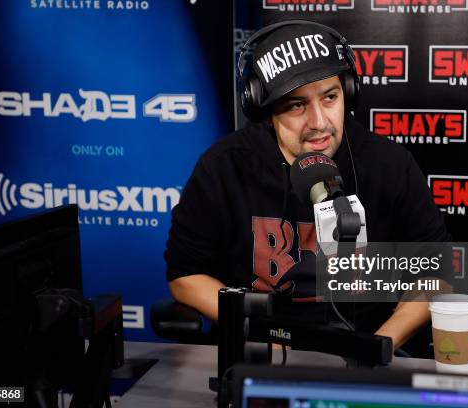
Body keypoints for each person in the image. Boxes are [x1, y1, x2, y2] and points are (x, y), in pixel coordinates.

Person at [164, 21, 450, 351]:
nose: (319, 122)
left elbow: (434, 274)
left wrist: (377, 347)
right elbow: (185, 276)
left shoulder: (390, 166)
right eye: (296, 105)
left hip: (364, 351)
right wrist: (262, 338)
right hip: (258, 349)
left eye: (330, 97)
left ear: (349, 93)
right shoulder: (223, 167)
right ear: (265, 111)